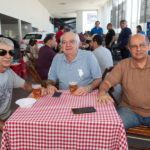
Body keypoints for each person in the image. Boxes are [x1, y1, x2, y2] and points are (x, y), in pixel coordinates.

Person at [97, 34, 150, 130]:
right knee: (110, 128)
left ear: (149, 46)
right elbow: (106, 83)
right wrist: (102, 92)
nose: (138, 49)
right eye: (134, 46)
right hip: (129, 111)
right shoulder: (123, 65)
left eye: (142, 45)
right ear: (129, 49)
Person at [0, 37, 47, 132]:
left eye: (11, 52)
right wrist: (5, 128)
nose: (8, 56)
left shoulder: (8, 72)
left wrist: (38, 88)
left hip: (8, 116)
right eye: (2, 52)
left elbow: (25, 85)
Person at [46, 32, 102, 96]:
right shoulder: (57, 58)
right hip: (64, 98)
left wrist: (88, 88)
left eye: (71, 41)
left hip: (84, 96)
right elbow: (50, 79)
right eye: (64, 42)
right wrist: (49, 85)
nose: (68, 45)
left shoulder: (89, 56)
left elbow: (98, 79)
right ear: (61, 45)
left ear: (78, 44)